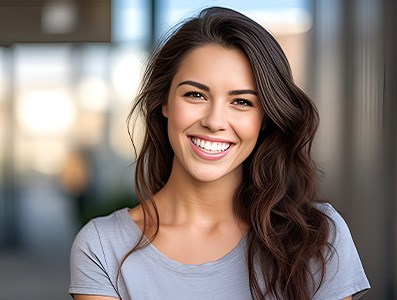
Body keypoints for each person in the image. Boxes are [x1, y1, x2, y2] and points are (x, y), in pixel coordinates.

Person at [69, 6, 370, 300]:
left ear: (264, 119)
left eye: (241, 102)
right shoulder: (103, 246)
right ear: (164, 103)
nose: (214, 122)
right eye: (196, 95)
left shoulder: (316, 236)